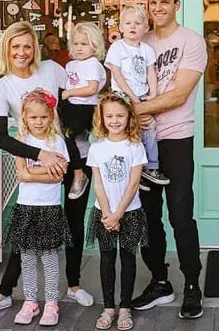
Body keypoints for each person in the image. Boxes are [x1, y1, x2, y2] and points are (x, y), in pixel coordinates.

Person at [0, 21, 94, 319]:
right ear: (6, 49)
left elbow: (71, 115)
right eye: (15, 46)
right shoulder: (2, 86)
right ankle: (4, 293)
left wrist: (76, 162)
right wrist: (41, 154)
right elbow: (1, 137)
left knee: (74, 224)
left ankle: (74, 285)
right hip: (38, 164)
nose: (22, 52)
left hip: (71, 157)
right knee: (27, 234)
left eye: (27, 46)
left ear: (35, 48)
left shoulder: (53, 70)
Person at [130, 0, 207, 319]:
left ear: (177, 4)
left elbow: (178, 95)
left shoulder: (192, 41)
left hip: (175, 137)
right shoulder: (138, 41)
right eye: (152, 3)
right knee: (148, 217)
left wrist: (135, 110)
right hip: (139, 142)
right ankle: (160, 281)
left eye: (164, 2)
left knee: (179, 214)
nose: (157, 8)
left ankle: (192, 285)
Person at [7, 88, 72, 326]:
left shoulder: (58, 142)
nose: (39, 122)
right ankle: (30, 301)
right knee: (27, 258)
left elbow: (59, 176)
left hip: (49, 207)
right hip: (26, 207)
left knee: (49, 258)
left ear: (51, 116)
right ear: (25, 117)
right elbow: (20, 174)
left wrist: (32, 172)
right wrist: (45, 170)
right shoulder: (21, 142)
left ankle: (52, 303)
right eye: (33, 117)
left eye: (43, 117)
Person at [87, 91, 148, 331]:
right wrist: (107, 214)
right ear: (101, 118)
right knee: (107, 259)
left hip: (129, 212)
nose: (114, 120)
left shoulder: (135, 145)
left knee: (129, 259)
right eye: (109, 116)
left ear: (129, 117)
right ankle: (109, 307)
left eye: (120, 116)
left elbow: (134, 183)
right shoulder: (97, 148)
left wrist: (118, 213)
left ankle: (125, 308)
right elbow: (98, 183)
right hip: (103, 213)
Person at [104, 3, 170, 189]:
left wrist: (154, 94)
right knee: (128, 131)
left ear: (146, 28)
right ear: (121, 27)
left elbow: (151, 73)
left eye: (138, 23)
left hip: (142, 95)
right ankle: (132, 170)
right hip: (122, 97)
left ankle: (150, 167)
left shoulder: (147, 50)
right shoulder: (118, 48)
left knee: (149, 127)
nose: (133, 26)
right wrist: (132, 98)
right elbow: (117, 75)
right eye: (128, 23)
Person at [59, 22, 107, 200]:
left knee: (68, 133)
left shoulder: (92, 64)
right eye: (76, 44)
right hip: (72, 106)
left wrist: (69, 92)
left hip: (85, 107)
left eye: (84, 44)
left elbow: (91, 88)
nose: (79, 48)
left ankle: (79, 174)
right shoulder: (71, 65)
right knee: (62, 134)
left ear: (95, 46)